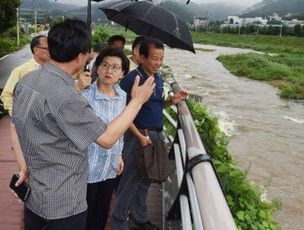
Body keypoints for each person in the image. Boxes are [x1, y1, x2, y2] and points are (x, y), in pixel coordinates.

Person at [10, 19, 155, 230]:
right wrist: (137, 101)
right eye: (89, 54)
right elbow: (106, 139)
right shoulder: (67, 96)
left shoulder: (27, 81)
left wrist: (23, 167)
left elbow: (15, 126)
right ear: (80, 57)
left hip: (34, 200)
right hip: (63, 205)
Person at [112, 37, 188, 230]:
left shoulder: (158, 78)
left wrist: (172, 100)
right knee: (129, 181)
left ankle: (140, 218)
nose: (158, 63)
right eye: (154, 58)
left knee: (146, 180)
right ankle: (119, 222)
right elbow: (122, 113)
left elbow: (154, 105)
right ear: (142, 57)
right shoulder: (132, 79)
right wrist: (138, 136)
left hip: (155, 135)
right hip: (138, 136)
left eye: (161, 58)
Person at [81, 48, 129, 230]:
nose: (109, 71)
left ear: (122, 73)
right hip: (87, 166)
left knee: (101, 212)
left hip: (109, 165)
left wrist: (120, 155)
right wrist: (76, 86)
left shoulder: (122, 96)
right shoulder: (84, 95)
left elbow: (121, 130)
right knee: (84, 214)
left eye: (116, 68)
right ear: (97, 68)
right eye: (105, 66)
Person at [0, 35, 50, 116]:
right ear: (36, 50)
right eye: (47, 48)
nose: (51, 51)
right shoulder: (20, 71)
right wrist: (17, 115)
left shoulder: (56, 69)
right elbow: (6, 95)